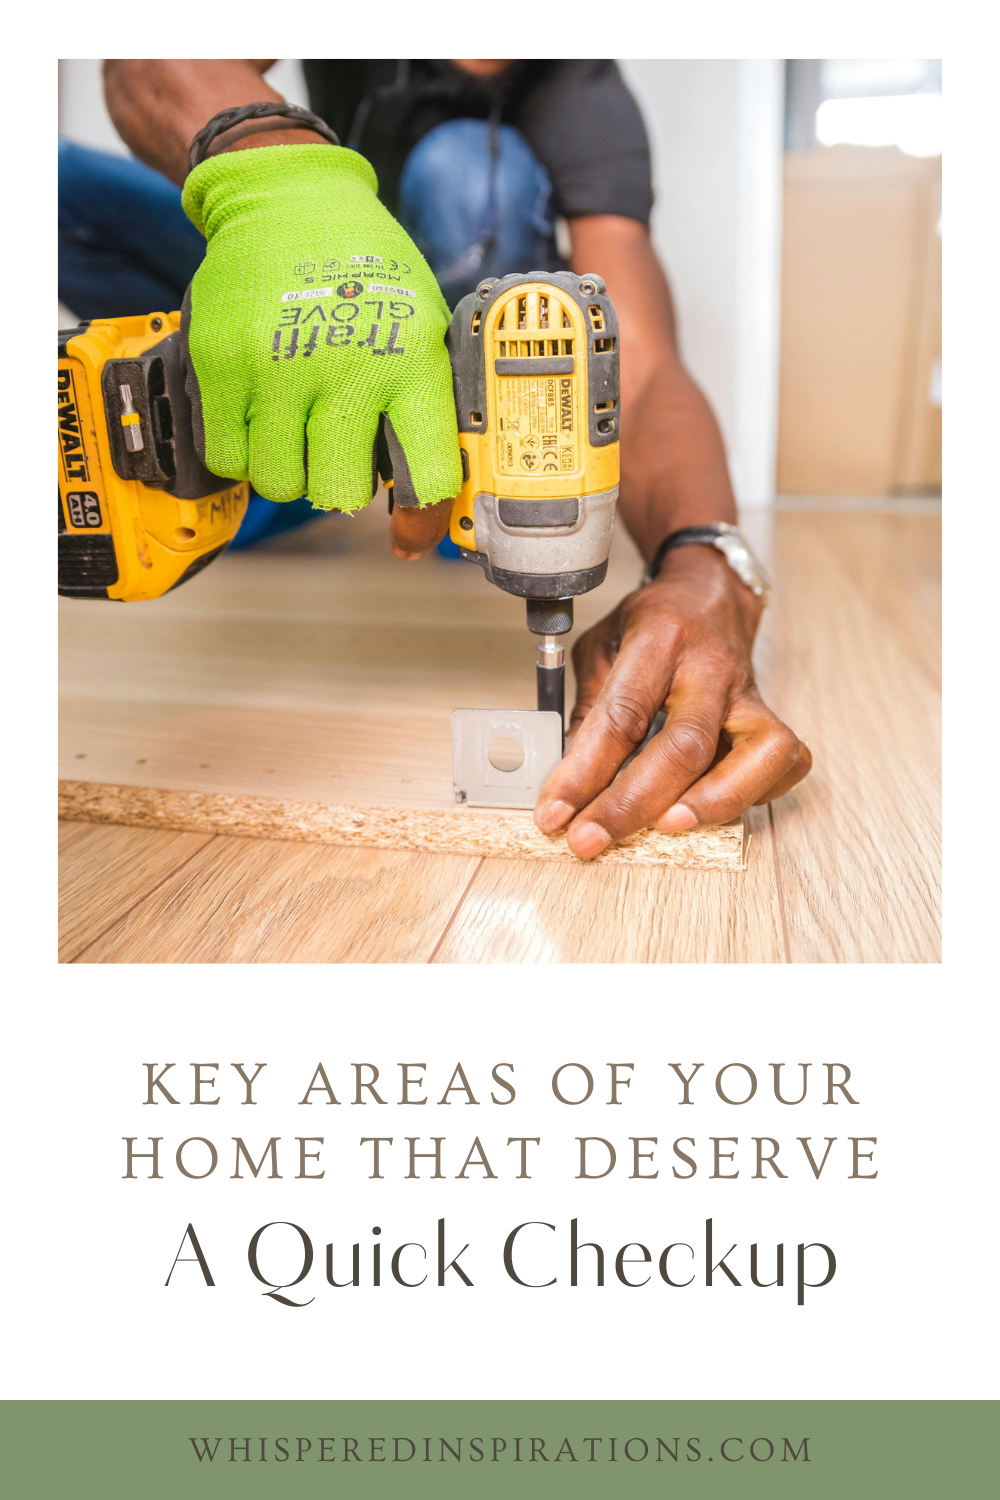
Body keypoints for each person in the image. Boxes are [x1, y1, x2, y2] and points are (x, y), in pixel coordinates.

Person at [59, 58, 811, 860]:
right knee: (56, 184)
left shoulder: (583, 91)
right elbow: (147, 56)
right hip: (303, 278)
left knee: (465, 167)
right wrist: (280, 178)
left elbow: (648, 366)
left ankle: (365, 474)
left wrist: (704, 563)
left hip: (447, 388)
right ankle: (262, 426)